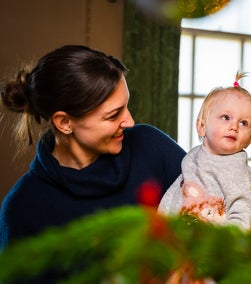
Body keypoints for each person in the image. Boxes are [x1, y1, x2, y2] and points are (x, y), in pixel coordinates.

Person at [0, 45, 186, 250]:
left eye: (126, 106)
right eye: (113, 115)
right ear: (64, 123)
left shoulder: (151, 145)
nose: (130, 122)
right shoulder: (22, 208)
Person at [158, 73, 251, 231]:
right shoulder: (193, 157)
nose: (234, 126)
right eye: (226, 117)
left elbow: (244, 216)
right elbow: (175, 193)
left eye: (243, 122)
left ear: (250, 139)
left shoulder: (240, 174)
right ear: (201, 126)